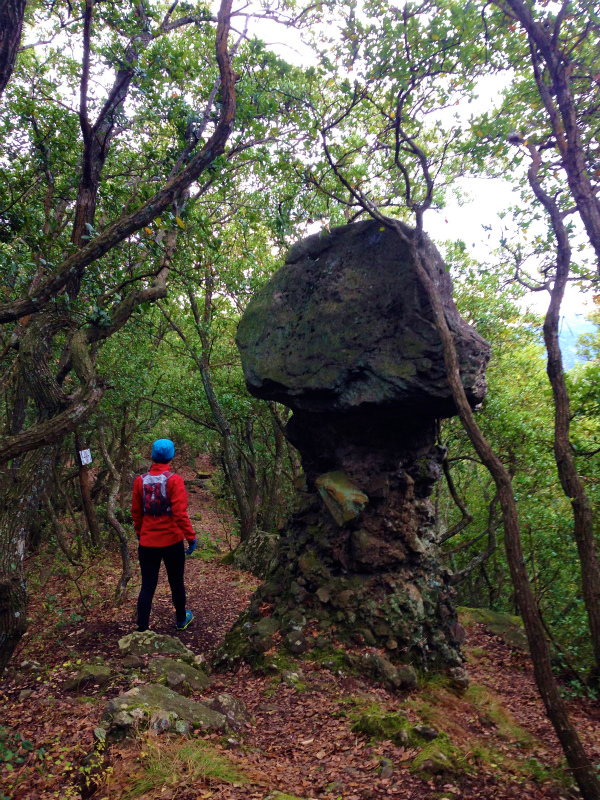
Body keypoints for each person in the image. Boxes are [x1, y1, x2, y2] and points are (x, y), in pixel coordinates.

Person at [131, 438, 197, 632]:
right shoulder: (174, 480)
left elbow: (136, 511)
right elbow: (180, 513)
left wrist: (139, 532)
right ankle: (180, 619)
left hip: (147, 542)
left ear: (152, 456)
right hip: (172, 541)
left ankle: (142, 627)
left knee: (147, 585)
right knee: (176, 581)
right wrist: (191, 537)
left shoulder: (139, 481)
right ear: (171, 457)